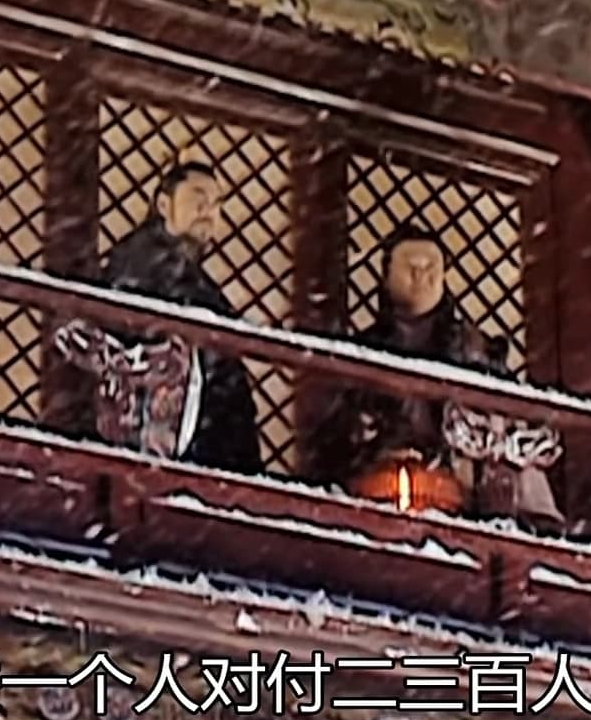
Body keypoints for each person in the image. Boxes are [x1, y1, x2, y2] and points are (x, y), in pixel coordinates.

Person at [311, 227, 561, 527]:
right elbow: (331, 442)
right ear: (386, 276)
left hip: (458, 501)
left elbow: (507, 432)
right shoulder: (359, 355)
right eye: (409, 266)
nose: (420, 275)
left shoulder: (476, 354)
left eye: (430, 266)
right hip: (376, 497)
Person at [53, 162, 262, 474]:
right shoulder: (144, 263)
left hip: (196, 434)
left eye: (216, 203)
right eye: (198, 198)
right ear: (164, 205)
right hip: (164, 442)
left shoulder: (181, 274)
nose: (208, 211)